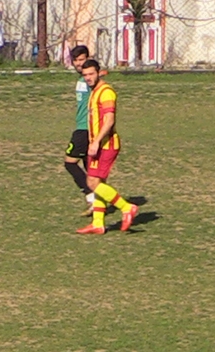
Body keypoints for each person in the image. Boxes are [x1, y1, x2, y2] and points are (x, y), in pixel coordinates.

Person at [77, 60, 138, 235]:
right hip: (97, 144)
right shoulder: (95, 92)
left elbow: (109, 120)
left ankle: (127, 207)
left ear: (99, 73)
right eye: (85, 75)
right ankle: (98, 223)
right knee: (98, 182)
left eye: (91, 74)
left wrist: (96, 141)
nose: (88, 78)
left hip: (106, 145)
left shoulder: (106, 92)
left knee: (92, 182)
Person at [64, 45, 97, 217]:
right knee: (89, 167)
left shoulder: (91, 79)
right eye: (75, 60)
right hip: (82, 127)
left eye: (81, 59)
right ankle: (96, 202)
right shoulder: (81, 79)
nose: (78, 63)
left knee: (69, 163)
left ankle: (92, 196)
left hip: (85, 129)